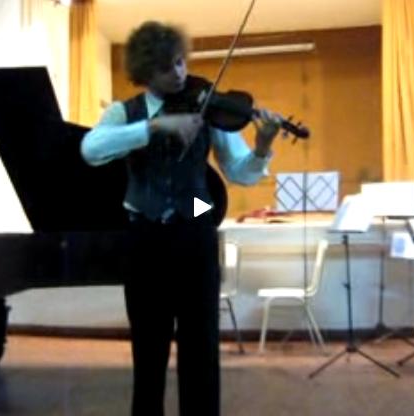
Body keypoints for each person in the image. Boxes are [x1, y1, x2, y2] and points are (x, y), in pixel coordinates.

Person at [80, 21, 281, 416]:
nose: (179, 74)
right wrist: (153, 127)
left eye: (179, 62)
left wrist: (262, 147)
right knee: (148, 351)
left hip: (195, 235)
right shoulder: (126, 113)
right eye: (166, 68)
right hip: (145, 241)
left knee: (201, 349)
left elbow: (240, 171)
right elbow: (91, 149)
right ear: (145, 74)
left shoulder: (205, 108)